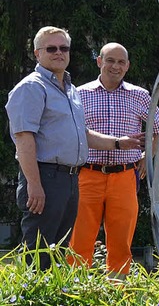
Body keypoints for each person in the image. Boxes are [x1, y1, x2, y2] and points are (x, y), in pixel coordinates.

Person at [5, 26, 142, 269]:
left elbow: (82, 134)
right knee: (39, 253)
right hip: (45, 176)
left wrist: (118, 143)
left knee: (60, 254)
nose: (59, 53)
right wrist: (34, 185)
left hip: (70, 179)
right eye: (51, 48)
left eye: (64, 48)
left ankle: (57, 300)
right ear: (37, 53)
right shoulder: (32, 87)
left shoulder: (69, 90)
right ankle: (35, 304)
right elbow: (24, 140)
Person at [69, 43, 159, 279]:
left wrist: (148, 156)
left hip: (124, 176)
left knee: (121, 242)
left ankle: (117, 296)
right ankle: (75, 294)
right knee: (79, 240)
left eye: (121, 62)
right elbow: (71, 132)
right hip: (87, 174)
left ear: (128, 66)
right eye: (110, 60)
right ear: (99, 62)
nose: (116, 66)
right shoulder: (79, 94)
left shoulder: (139, 95)